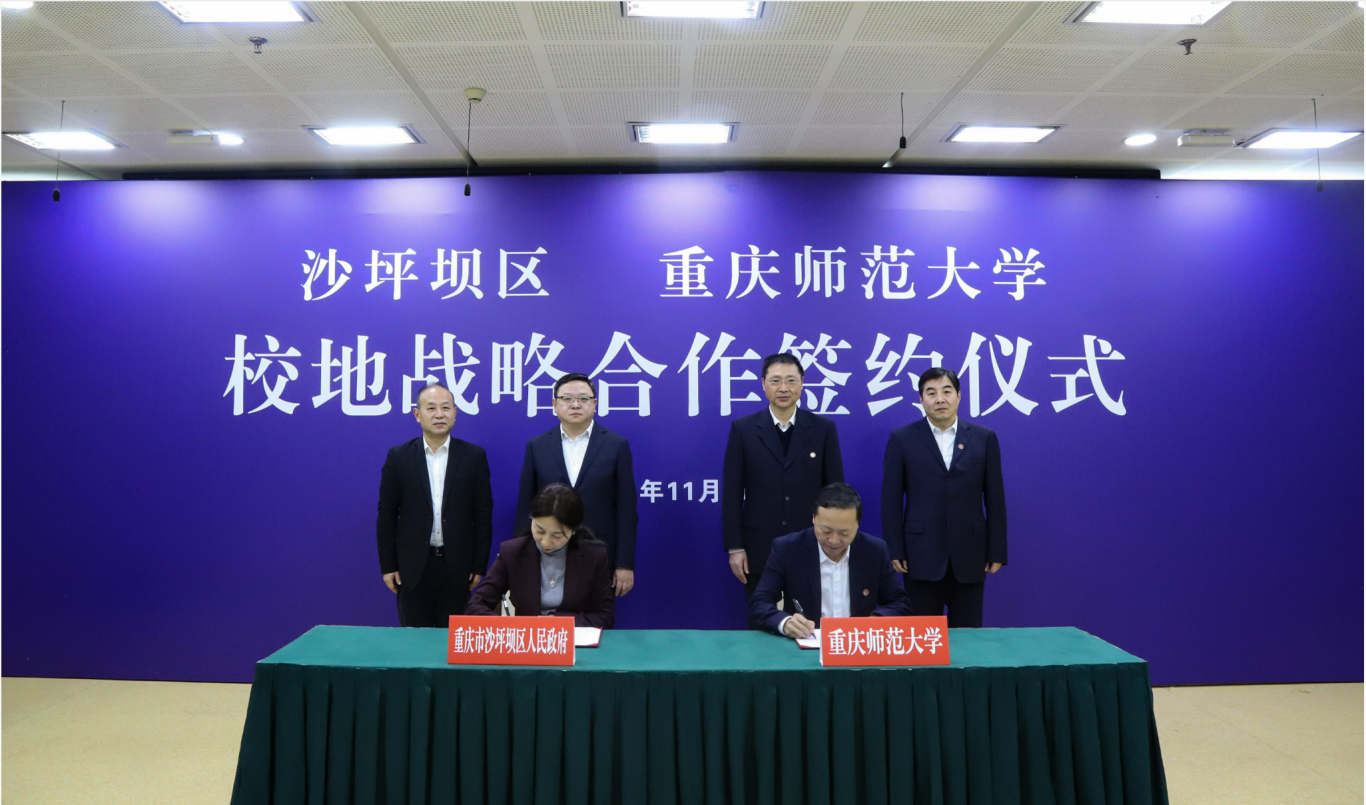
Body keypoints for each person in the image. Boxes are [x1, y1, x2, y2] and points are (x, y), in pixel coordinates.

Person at [880, 367, 1006, 628]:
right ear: (921, 399)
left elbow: (995, 498)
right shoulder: (902, 439)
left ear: (959, 396)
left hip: (970, 552)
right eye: (931, 393)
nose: (940, 399)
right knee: (922, 634)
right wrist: (895, 548)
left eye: (947, 391)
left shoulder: (984, 438)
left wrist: (996, 549)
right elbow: (890, 499)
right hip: (920, 553)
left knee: (969, 635)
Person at [722, 353, 845, 603]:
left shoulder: (822, 428)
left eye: (791, 380)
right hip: (758, 545)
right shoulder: (743, 429)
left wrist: (835, 540)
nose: (783, 388)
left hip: (811, 541)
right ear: (763, 384)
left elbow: (835, 493)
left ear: (802, 383)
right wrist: (736, 547)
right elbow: (732, 493)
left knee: (808, 618)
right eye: (775, 381)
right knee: (762, 617)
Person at [376, 383, 493, 627]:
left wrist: (478, 564)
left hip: (457, 565)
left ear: (455, 413)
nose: (439, 414)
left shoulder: (473, 456)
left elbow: (482, 514)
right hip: (412, 566)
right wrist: (388, 565)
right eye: (431, 408)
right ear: (417, 414)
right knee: (413, 640)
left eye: (445, 408)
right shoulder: (399, 456)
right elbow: (387, 514)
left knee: (452, 639)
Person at [514, 372, 638, 597]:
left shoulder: (616, 445)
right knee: (549, 613)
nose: (575, 404)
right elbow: (525, 506)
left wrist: (624, 564)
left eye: (583, 399)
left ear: (595, 404)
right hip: (547, 549)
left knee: (597, 615)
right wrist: (521, 557)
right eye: (567, 399)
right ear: (554, 404)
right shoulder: (537, 446)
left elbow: (626, 510)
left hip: (599, 550)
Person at [751, 483, 912, 637]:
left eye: (844, 533)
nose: (834, 540)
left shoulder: (874, 551)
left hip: (857, 644)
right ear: (814, 518)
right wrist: (785, 623)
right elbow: (759, 603)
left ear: (857, 525)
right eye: (826, 530)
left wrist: (877, 620)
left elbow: (900, 603)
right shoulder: (787, 549)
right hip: (806, 644)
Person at [468, 484, 614, 628]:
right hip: (527, 639)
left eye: (557, 535)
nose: (545, 542)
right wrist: (512, 627)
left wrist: (559, 622)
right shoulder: (512, 552)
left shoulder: (593, 556)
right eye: (540, 530)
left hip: (575, 640)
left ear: (573, 530)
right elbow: (475, 605)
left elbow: (605, 616)